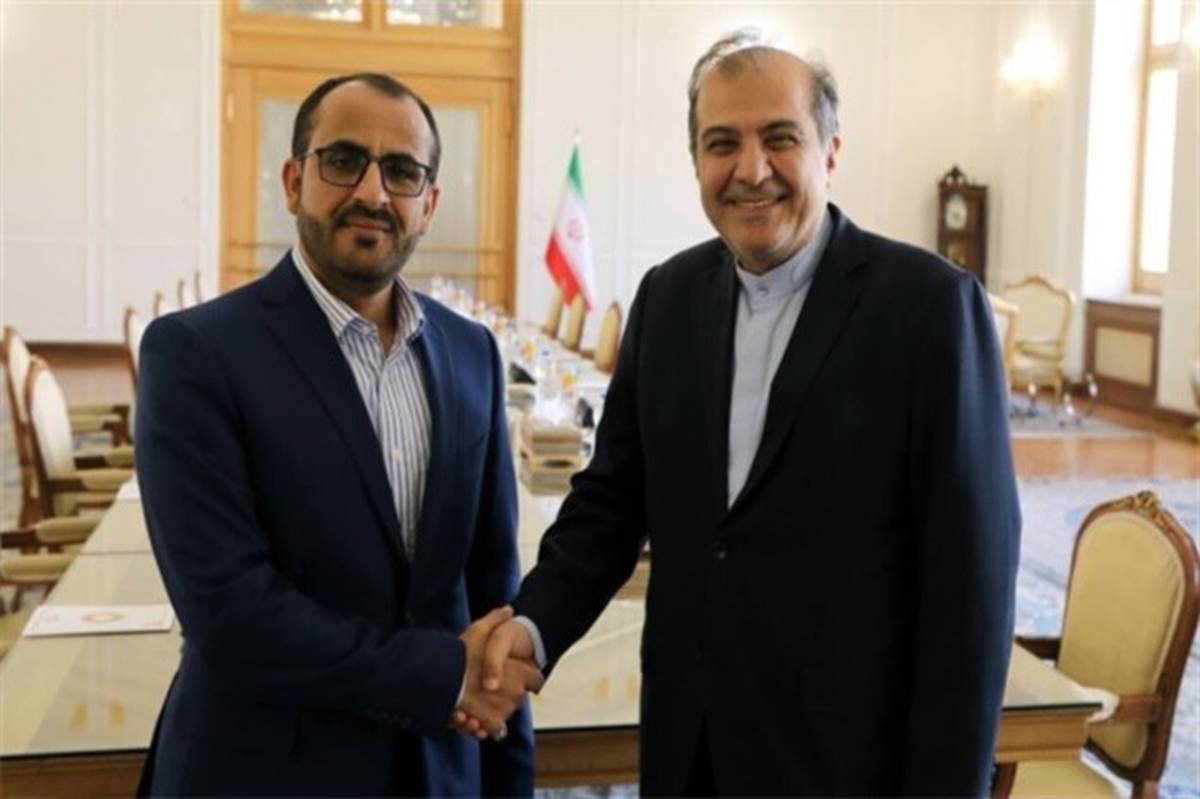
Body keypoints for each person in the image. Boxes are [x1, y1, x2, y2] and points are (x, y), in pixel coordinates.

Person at [478, 32, 1021, 796]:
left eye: (780, 138)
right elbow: (611, 503)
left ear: (830, 153)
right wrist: (532, 628)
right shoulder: (667, 298)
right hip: (685, 747)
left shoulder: (929, 309)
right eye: (722, 143)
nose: (751, 169)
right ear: (696, 160)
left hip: (847, 764)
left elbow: (971, 589)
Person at [136, 73, 541, 796]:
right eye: (344, 161)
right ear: (294, 182)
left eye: (403, 171)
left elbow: (493, 592)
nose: (373, 193)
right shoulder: (197, 353)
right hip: (263, 773)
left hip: (440, 770)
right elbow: (230, 615)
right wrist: (440, 674)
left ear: (429, 204)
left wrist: (508, 776)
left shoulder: (472, 353)